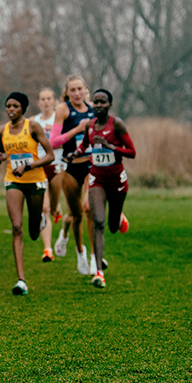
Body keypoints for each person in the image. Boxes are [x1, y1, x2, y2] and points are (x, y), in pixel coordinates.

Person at [0, 92, 54, 295]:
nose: (11, 109)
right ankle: (21, 280)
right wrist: (0, 157)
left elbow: (50, 156)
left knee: (34, 233)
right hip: (14, 181)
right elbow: (4, 152)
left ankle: (40, 222)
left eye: (15, 106)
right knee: (17, 227)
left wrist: (28, 166)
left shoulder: (33, 127)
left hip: (35, 181)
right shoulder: (1, 130)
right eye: (8, 106)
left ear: (23, 109)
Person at [83, 89, 134, 288]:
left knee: (112, 226)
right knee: (98, 222)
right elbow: (84, 146)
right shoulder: (90, 126)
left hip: (117, 180)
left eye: (102, 102)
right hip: (97, 178)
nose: (98, 105)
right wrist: (74, 154)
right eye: (95, 102)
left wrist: (110, 146)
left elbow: (132, 152)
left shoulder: (117, 124)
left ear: (110, 105)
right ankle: (99, 271)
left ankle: (119, 215)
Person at [50, 74, 95, 275]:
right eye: (73, 90)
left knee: (90, 209)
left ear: (86, 89)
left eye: (80, 89)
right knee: (75, 215)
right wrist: (77, 129)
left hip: (91, 165)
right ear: (67, 92)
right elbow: (53, 141)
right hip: (70, 167)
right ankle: (79, 252)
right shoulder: (63, 110)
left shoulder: (94, 108)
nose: (77, 93)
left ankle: (95, 258)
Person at [33, 88, 63, 261]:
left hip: (57, 165)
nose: (45, 102)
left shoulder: (59, 120)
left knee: (53, 205)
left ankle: (56, 208)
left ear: (54, 101)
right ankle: (47, 250)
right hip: (40, 167)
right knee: (44, 208)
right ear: (38, 102)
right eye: (42, 99)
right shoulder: (34, 121)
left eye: (48, 98)